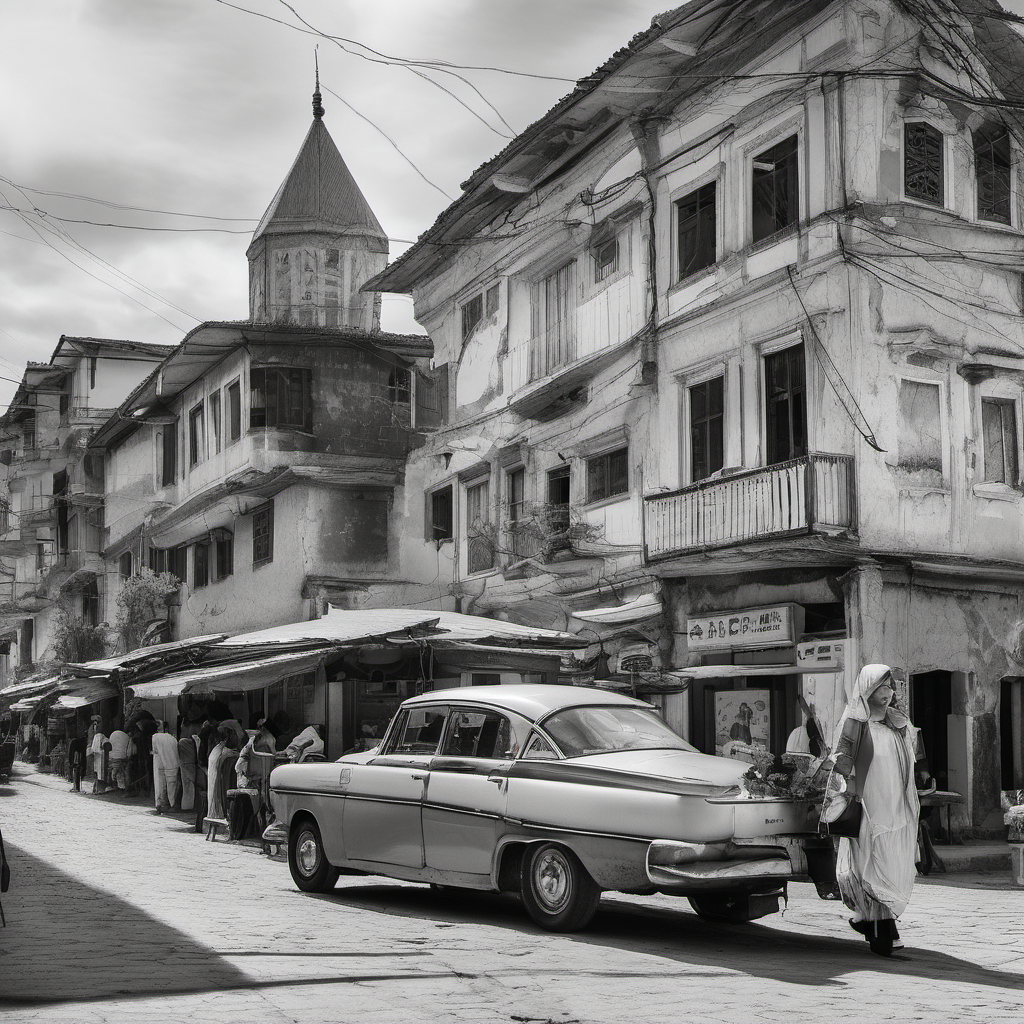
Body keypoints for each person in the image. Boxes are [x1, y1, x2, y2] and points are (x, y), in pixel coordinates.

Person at [821, 665, 928, 957]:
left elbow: (914, 757)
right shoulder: (855, 723)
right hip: (869, 807)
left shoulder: (898, 722)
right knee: (871, 860)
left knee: (892, 861)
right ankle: (882, 930)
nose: (887, 693)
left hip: (897, 808)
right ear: (867, 688)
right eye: (881, 687)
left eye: (890, 687)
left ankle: (868, 921)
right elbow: (842, 764)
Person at [151, 722, 181, 815]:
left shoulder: (155, 737)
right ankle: (172, 804)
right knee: (172, 786)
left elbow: (155, 751)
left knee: (160, 785)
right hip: (173, 764)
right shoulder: (172, 739)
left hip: (161, 763)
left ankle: (162, 804)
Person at [107, 721, 132, 792]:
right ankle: (125, 787)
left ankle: (112, 784)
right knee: (124, 770)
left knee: (113, 769)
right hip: (122, 759)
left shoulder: (112, 735)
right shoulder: (127, 737)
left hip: (112, 758)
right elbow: (129, 752)